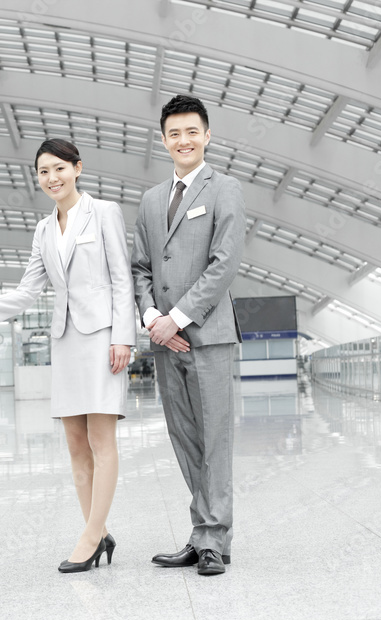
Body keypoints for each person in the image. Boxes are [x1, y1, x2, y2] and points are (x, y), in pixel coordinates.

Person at [0, 139, 135, 573]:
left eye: (59, 169)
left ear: (78, 168)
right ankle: (99, 531)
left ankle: (90, 535)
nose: (51, 178)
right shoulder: (44, 229)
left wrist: (123, 336)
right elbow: (30, 289)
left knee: (102, 440)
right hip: (66, 340)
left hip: (104, 337)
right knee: (75, 443)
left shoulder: (103, 213)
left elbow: (121, 278)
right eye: (43, 172)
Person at [130, 94, 245, 576]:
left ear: (207, 135)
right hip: (165, 340)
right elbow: (140, 267)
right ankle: (201, 535)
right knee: (184, 439)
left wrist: (175, 318)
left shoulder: (225, 189)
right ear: (164, 140)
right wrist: (153, 316)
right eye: (174, 133)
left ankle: (215, 539)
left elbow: (224, 265)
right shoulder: (152, 200)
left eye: (192, 132)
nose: (184, 140)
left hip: (209, 337)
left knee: (215, 439)